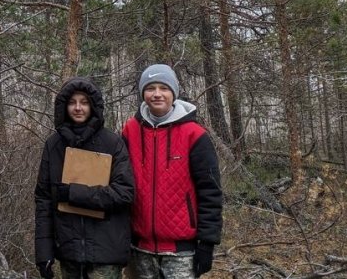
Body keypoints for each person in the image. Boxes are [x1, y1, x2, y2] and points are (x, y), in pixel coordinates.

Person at [121, 64, 223, 278]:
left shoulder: (194, 135)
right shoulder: (130, 130)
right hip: (139, 248)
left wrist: (207, 243)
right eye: (150, 88)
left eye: (163, 88)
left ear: (173, 93)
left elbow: (210, 192)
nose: (157, 94)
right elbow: (120, 183)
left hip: (181, 252)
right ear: (142, 93)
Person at [34, 77, 135, 279]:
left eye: (84, 102)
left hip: (105, 252)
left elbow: (124, 193)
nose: (78, 108)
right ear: (63, 106)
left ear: (93, 106)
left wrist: (73, 192)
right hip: (68, 252)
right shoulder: (53, 146)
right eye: (72, 102)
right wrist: (43, 253)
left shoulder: (112, 142)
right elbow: (43, 200)